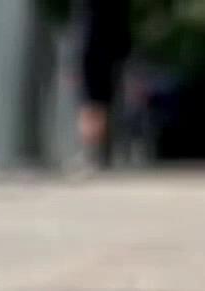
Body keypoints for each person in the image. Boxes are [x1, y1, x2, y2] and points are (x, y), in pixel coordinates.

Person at [75, 0, 132, 169]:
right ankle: (100, 151)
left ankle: (93, 151)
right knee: (102, 103)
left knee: (92, 104)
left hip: (94, 52)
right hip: (110, 52)